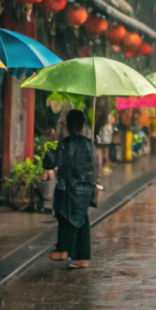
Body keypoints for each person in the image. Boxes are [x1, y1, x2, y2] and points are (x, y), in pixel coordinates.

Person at [50, 109, 96, 268]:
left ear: (67, 126)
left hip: (68, 189)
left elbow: (52, 163)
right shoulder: (89, 144)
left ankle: (63, 249)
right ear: (83, 125)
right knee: (82, 220)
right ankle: (82, 257)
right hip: (86, 190)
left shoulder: (64, 144)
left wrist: (51, 147)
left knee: (64, 216)